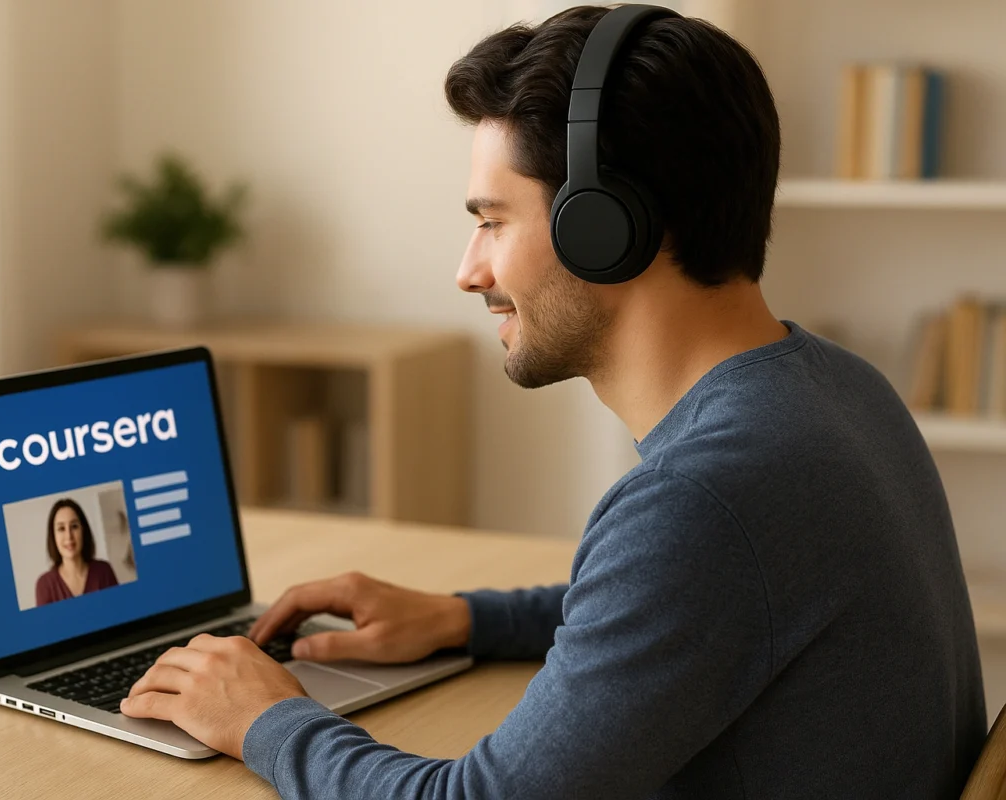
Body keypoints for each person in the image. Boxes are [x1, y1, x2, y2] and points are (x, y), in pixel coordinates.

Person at [121, 6, 987, 798]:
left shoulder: (705, 500)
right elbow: (690, 610)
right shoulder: (836, 388)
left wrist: (264, 719)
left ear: (605, 228)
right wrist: (463, 619)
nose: (469, 271)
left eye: (493, 221)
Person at [35, 498, 119, 606]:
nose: (69, 536)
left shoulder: (104, 571)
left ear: (83, 530)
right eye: (61, 528)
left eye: (74, 526)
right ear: (53, 536)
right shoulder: (44, 585)